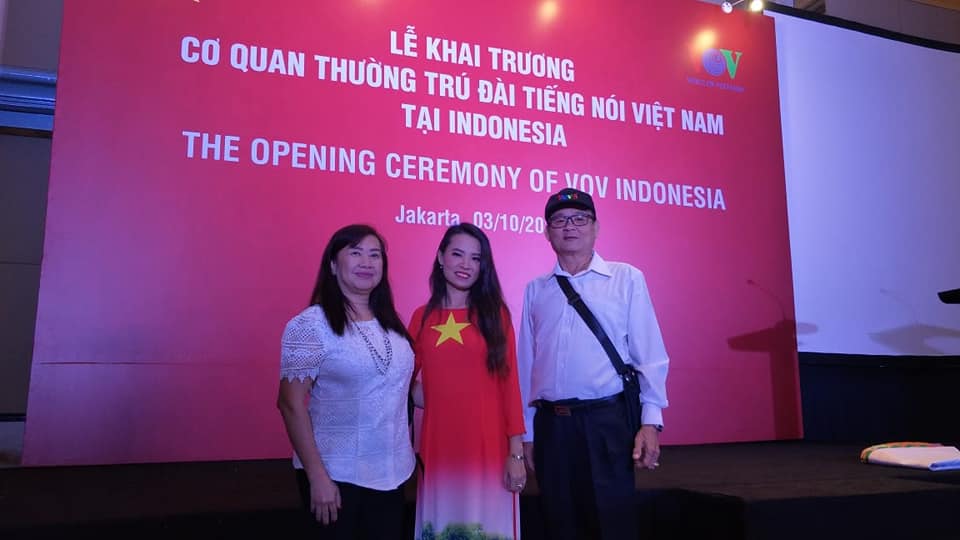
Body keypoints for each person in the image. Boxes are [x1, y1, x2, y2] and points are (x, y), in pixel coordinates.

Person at [518, 188, 670, 540]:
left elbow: (650, 355)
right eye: (559, 220)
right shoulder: (536, 290)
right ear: (547, 232)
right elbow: (526, 366)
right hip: (551, 428)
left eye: (580, 219)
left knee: (612, 524)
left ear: (596, 227)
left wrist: (650, 422)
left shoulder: (626, 278)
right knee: (560, 523)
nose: (569, 226)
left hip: (606, 423)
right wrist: (527, 433)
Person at [277, 224, 415, 538]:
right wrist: (317, 477)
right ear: (332, 265)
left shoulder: (392, 325)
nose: (367, 262)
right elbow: (289, 404)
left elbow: (400, 387)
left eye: (375, 255)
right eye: (355, 253)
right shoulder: (311, 325)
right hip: (336, 477)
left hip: (392, 474)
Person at [408, 223, 526, 540]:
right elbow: (400, 380)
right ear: (440, 257)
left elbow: (510, 387)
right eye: (457, 254)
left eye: (475, 258)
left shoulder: (496, 315)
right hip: (438, 448)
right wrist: (435, 396)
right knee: (444, 528)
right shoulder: (421, 317)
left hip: (489, 448)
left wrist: (516, 454)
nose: (465, 265)